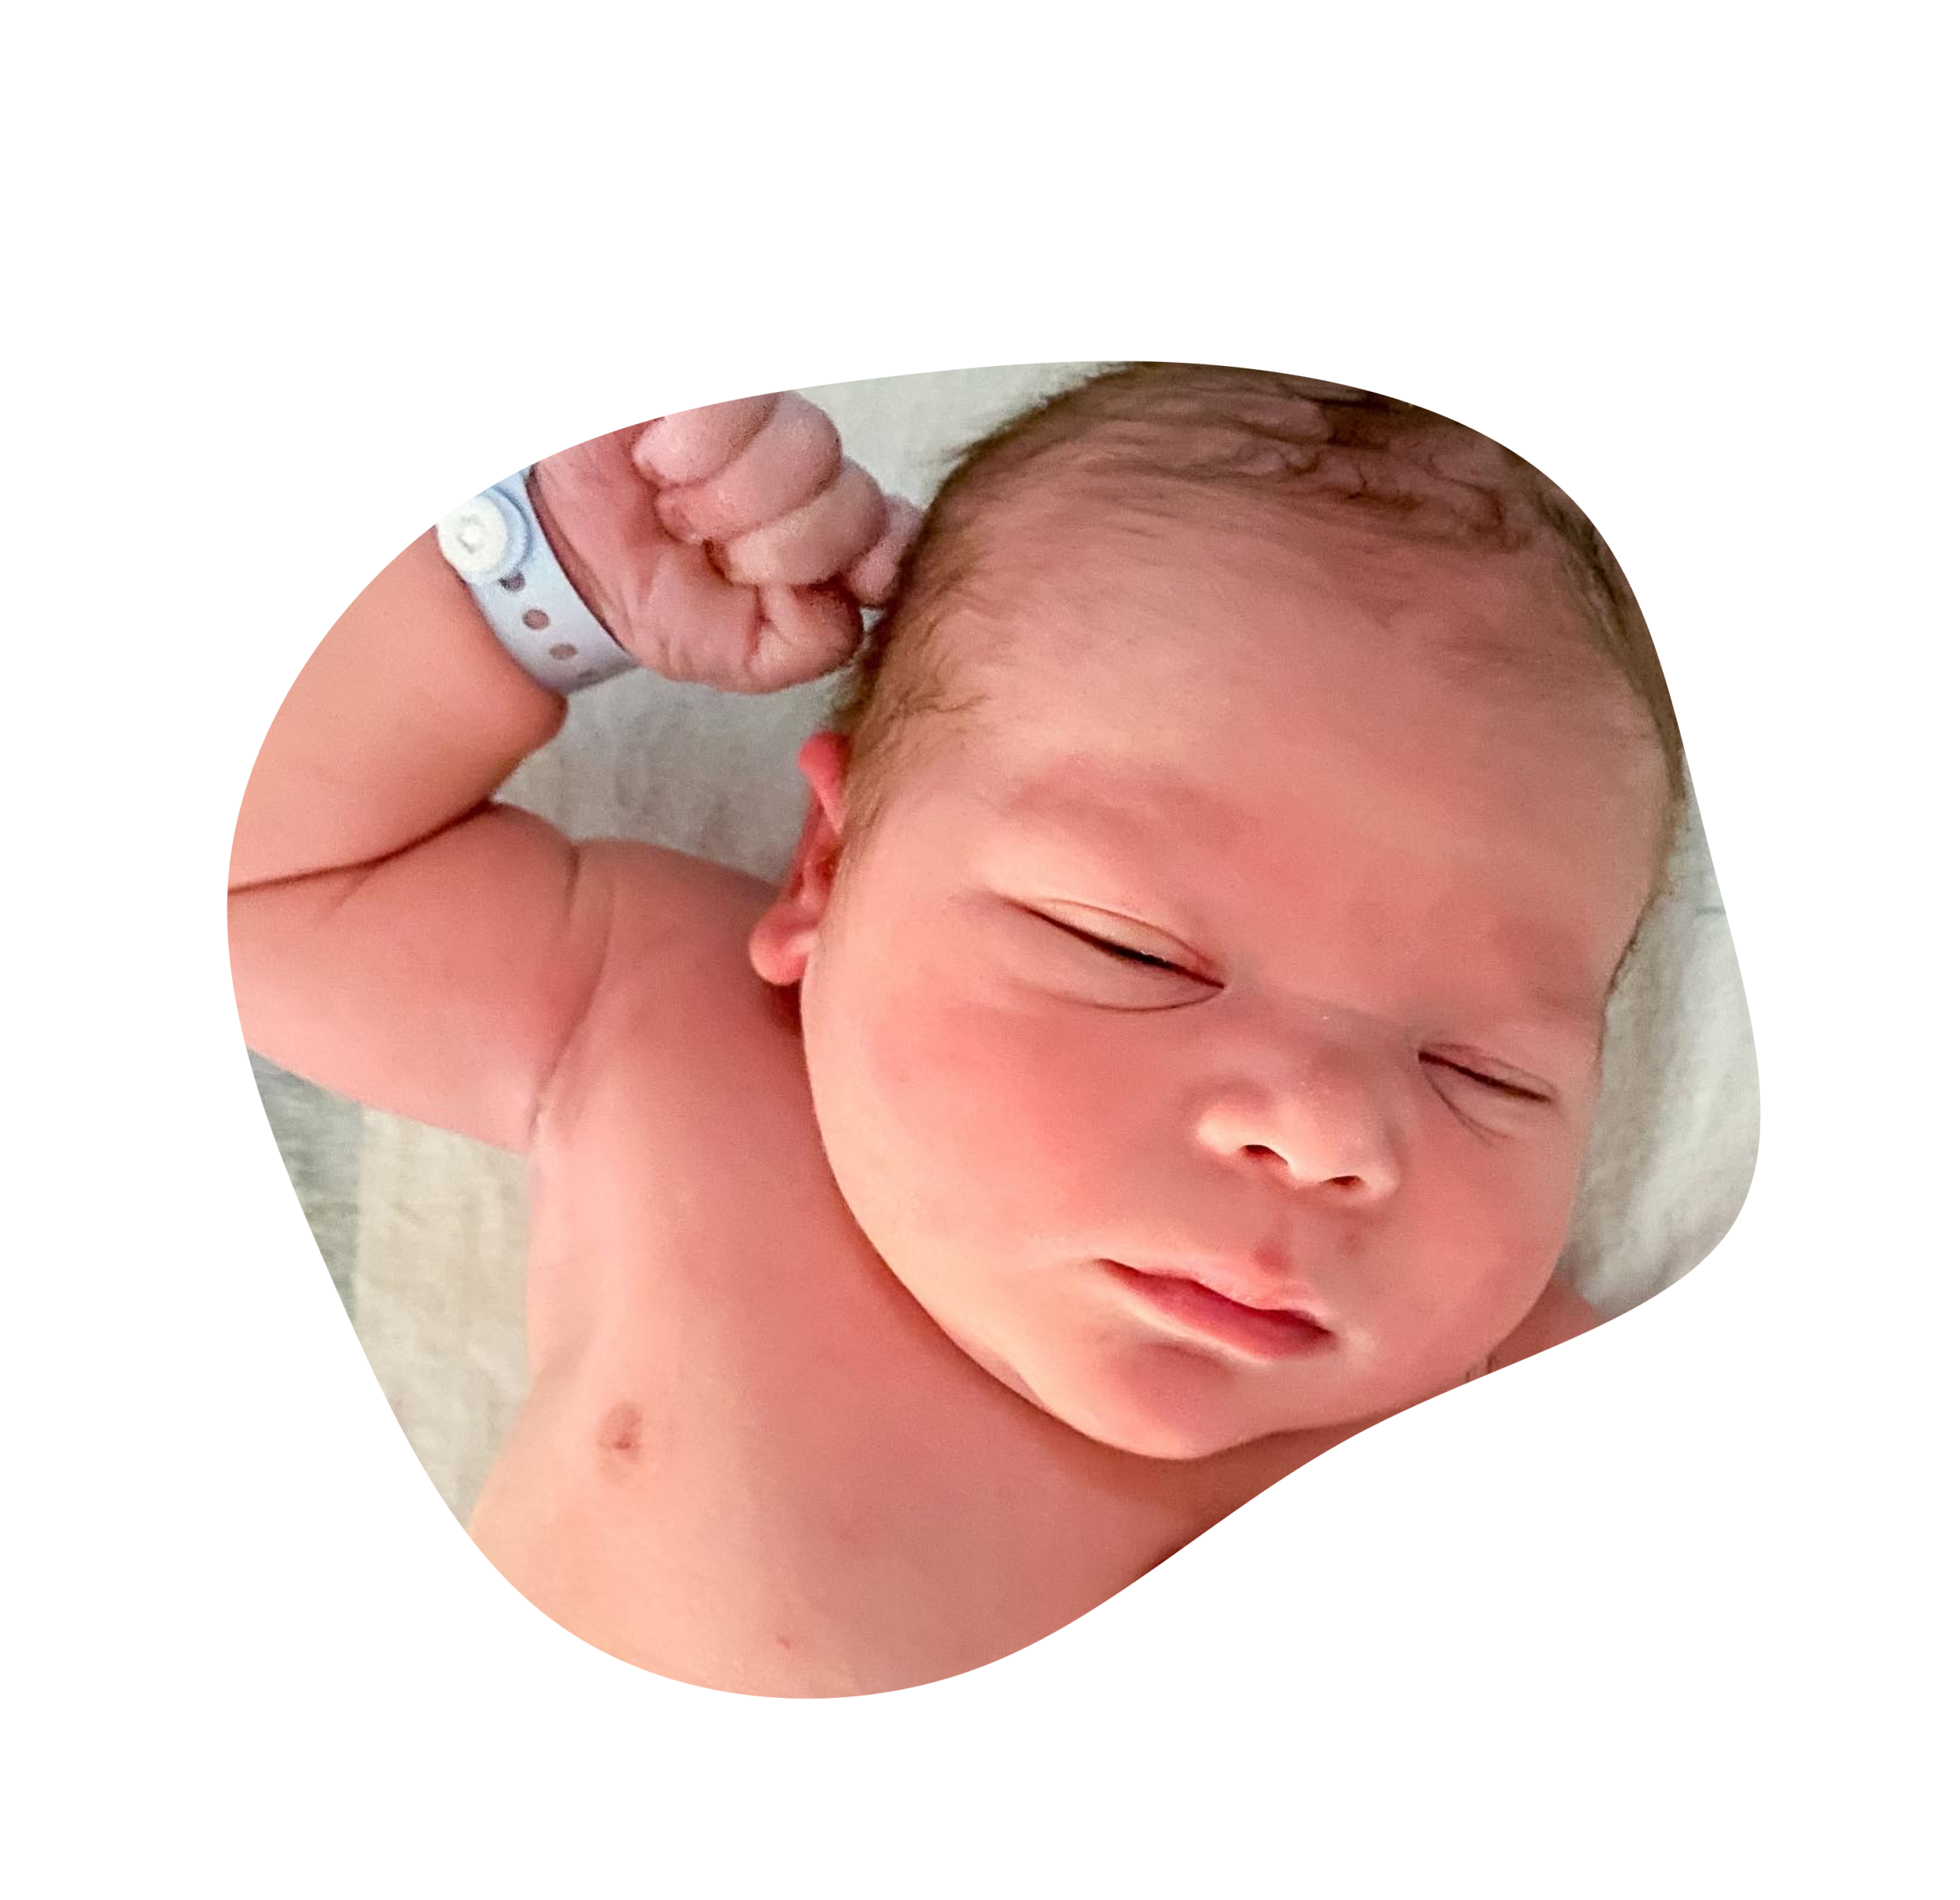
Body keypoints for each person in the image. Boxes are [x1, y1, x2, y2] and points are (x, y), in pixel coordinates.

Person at [228, 374, 1674, 1697]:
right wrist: (543, 580)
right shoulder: (665, 1024)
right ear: (826, 874)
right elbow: (274, 883)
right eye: (1133, 950)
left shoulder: (1489, 1351)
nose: (1328, 1133)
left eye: (1485, 1070)